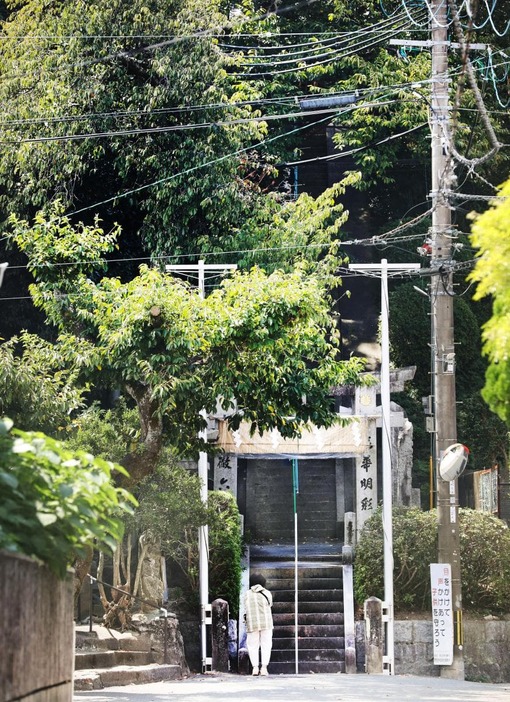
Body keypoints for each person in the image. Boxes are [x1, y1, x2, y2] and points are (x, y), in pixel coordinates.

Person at [244, 573, 273, 676]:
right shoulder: (267, 593)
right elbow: (270, 604)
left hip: (252, 623)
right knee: (266, 644)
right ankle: (264, 668)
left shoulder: (247, 594)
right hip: (266, 622)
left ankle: (255, 668)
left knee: (252, 645)